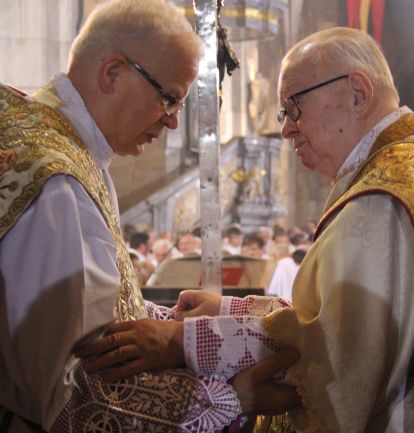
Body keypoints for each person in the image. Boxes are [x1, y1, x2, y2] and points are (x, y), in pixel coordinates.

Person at [80, 27, 414, 432]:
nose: (287, 129)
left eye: (294, 107)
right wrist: (232, 311)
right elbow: (344, 319)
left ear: (357, 92)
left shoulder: (382, 198)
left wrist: (182, 342)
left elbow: (335, 360)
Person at [0, 1, 299, 431]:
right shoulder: (57, 184)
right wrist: (232, 399)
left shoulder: (36, 128)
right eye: (170, 98)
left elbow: (89, 325)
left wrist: (167, 326)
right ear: (113, 73)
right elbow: (70, 396)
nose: (175, 122)